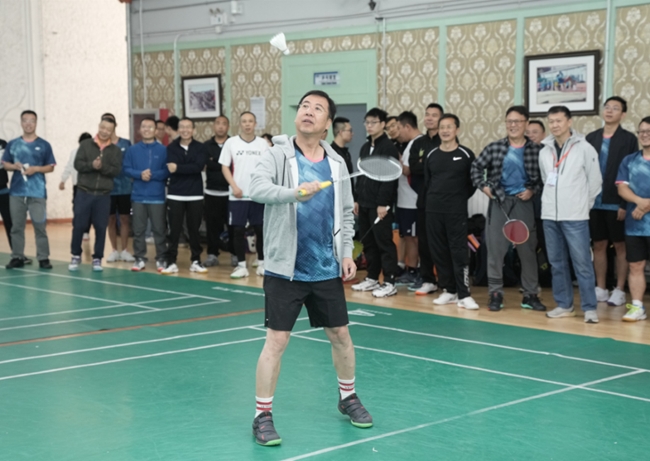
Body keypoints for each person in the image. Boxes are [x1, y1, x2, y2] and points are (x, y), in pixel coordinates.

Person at [248, 89, 371, 447]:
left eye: (318, 108)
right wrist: (294, 193)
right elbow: (257, 189)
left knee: (341, 335)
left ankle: (347, 397)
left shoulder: (336, 163)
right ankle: (262, 416)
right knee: (276, 341)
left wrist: (345, 253)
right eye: (304, 106)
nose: (308, 111)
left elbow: (345, 213)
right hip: (285, 268)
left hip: (325, 268)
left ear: (327, 123)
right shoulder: (277, 154)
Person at [471, 106, 546, 311]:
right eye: (509, 121)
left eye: (517, 121)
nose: (513, 125)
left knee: (527, 251)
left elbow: (545, 178)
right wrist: (484, 187)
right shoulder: (494, 147)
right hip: (499, 203)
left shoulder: (537, 150)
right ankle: (495, 294)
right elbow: (475, 168)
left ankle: (530, 295)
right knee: (495, 251)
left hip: (524, 204)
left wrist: (532, 191)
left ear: (526, 123)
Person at [539, 106, 602, 323]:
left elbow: (595, 182)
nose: (554, 125)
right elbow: (545, 179)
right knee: (557, 263)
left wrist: (583, 206)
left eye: (559, 120)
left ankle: (590, 308)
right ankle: (564, 305)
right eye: (551, 121)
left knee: (582, 263)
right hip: (550, 216)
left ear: (569, 122)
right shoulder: (544, 151)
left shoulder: (585, 148)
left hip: (576, 217)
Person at [586, 96, 639, 306]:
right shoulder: (591, 137)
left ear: (623, 115)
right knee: (598, 244)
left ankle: (619, 289)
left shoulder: (628, 139)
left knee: (620, 246)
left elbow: (631, 172)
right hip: (594, 201)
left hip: (616, 201)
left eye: (615, 108)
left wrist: (624, 204)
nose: (609, 111)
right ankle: (600, 288)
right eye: (607, 107)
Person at [424, 114, 478, 309]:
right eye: (442, 127)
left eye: (449, 127)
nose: (445, 131)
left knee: (459, 251)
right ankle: (449, 290)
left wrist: (457, 199)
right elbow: (428, 182)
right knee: (439, 251)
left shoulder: (466, 154)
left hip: (456, 211)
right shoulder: (431, 154)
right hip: (433, 210)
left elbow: (472, 184)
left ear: (457, 130)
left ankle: (464, 294)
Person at [351, 107, 399, 297]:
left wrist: (383, 203)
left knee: (384, 242)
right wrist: (357, 199)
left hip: (379, 204)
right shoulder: (365, 147)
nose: (369, 126)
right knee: (368, 242)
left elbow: (390, 178)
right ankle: (372, 277)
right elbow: (362, 174)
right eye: (367, 122)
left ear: (383, 124)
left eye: (374, 122)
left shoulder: (388, 147)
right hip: (364, 202)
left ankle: (389, 281)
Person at [2, 110, 56, 269]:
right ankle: (17, 257)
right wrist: (14, 166)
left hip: (37, 193)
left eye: (32, 120)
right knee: (16, 227)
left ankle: (43, 258)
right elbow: (5, 164)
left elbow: (51, 167)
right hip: (16, 193)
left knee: (40, 227)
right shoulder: (13, 144)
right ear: (21, 122)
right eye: (25, 120)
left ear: (36, 123)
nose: (28, 124)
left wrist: (36, 169)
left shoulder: (44, 145)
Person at [69, 116, 123, 271]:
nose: (105, 131)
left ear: (113, 131)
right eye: (103, 128)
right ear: (99, 126)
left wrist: (102, 167)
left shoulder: (115, 151)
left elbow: (116, 170)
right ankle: (75, 255)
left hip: (103, 195)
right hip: (84, 192)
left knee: (100, 226)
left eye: (109, 129)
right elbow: (77, 164)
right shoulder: (86, 144)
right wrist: (91, 165)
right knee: (79, 225)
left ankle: (98, 257)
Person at [219, 112, 268, 278]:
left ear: (255, 124)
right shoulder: (231, 143)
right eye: (244, 121)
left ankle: (262, 263)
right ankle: (241, 266)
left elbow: (268, 168)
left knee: (260, 230)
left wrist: (263, 187)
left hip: (258, 196)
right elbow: (224, 167)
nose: (247, 124)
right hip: (237, 196)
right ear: (240, 124)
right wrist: (234, 187)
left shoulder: (262, 144)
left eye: (250, 121)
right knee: (238, 230)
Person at [161, 117, 208, 275]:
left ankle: (196, 260)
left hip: (195, 195)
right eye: (182, 127)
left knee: (194, 230)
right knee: (173, 231)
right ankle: (171, 261)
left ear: (193, 130)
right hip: (175, 194)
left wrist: (179, 167)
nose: (185, 130)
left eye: (188, 127)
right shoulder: (171, 147)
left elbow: (198, 167)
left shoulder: (200, 147)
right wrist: (188, 166)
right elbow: (172, 168)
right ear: (178, 129)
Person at [122, 118, 169, 272]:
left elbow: (167, 170)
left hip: (157, 196)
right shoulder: (132, 150)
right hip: (138, 196)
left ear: (156, 130)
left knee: (159, 230)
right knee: (138, 230)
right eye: (143, 127)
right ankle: (140, 258)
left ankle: (161, 258)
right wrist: (139, 174)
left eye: (150, 127)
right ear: (139, 129)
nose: (146, 129)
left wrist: (152, 175)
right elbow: (126, 169)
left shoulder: (163, 150)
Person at [615, 116, 650, 322]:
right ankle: (637, 307)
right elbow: (622, 188)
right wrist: (640, 202)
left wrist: (646, 205)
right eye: (641, 131)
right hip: (635, 225)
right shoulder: (629, 160)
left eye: (648, 131)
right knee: (635, 265)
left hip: (641, 215)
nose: (644, 135)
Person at [407, 103, 444, 295]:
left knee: (441, 242)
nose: (429, 118)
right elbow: (414, 167)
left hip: (442, 200)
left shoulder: (445, 140)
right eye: (427, 114)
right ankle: (428, 279)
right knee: (424, 242)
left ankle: (446, 281)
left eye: (434, 115)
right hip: (422, 199)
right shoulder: (418, 143)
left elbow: (441, 167)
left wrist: (426, 163)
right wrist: (427, 163)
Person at [102, 114, 134, 263]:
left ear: (114, 125)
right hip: (108, 188)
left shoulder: (126, 143)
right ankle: (114, 250)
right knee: (111, 219)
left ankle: (125, 250)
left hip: (125, 188)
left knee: (125, 218)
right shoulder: (101, 144)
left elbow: (131, 163)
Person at [394, 111, 422, 286]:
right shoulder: (410, 144)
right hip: (404, 200)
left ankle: (413, 270)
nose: (398, 132)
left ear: (407, 126)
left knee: (413, 237)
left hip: (412, 200)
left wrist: (395, 160)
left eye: (399, 128)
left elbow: (408, 170)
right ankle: (408, 269)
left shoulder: (416, 143)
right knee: (407, 236)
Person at [203, 115, 232, 267]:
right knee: (212, 227)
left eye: (224, 124)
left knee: (233, 225)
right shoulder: (206, 146)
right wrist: (222, 164)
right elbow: (207, 164)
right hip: (211, 192)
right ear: (214, 126)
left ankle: (235, 254)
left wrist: (214, 161)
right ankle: (212, 254)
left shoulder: (234, 144)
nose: (221, 126)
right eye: (218, 123)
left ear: (228, 127)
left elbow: (231, 165)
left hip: (231, 193)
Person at [59, 133, 93, 241]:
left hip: (90, 186)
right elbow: (69, 167)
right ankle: (78, 229)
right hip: (77, 185)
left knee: (88, 209)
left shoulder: (94, 153)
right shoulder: (74, 152)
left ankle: (86, 231)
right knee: (77, 208)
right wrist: (63, 180)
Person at [0, 138, 12, 249]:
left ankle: (17, 254)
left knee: (10, 223)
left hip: (3, 190)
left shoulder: (3, 144)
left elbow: (10, 162)